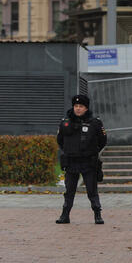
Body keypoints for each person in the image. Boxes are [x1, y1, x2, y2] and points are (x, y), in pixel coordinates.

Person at [56, 93, 107, 225]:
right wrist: (69, 151)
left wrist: (92, 152)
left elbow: (102, 141)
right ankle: (65, 215)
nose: (78, 108)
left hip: (88, 161)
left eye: (81, 106)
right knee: (69, 191)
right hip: (71, 161)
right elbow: (60, 141)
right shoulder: (65, 123)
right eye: (76, 106)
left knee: (92, 190)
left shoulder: (95, 123)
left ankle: (97, 214)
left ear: (86, 108)